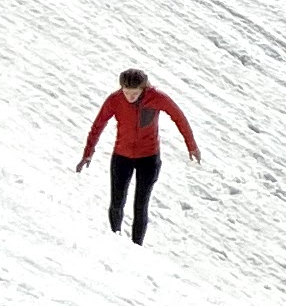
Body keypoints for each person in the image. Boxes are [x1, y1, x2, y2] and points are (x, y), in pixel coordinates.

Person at [78, 69, 200, 244]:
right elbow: (98, 124)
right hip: (121, 157)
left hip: (148, 158)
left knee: (141, 205)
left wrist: (192, 145)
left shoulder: (157, 98)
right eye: (126, 93)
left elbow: (179, 118)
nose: (130, 97)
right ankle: (116, 240)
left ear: (143, 88)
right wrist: (88, 152)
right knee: (117, 202)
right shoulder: (115, 99)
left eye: (135, 93)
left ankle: (137, 246)